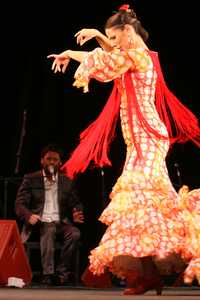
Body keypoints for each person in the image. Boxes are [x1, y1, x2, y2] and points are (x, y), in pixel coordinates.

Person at [47, 4, 200, 294]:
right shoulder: (132, 55)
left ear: (128, 32)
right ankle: (149, 274)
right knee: (139, 208)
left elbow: (105, 64)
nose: (113, 44)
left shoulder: (140, 57)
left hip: (148, 139)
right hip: (139, 141)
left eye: (115, 38)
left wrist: (94, 38)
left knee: (142, 202)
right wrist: (71, 52)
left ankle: (166, 261)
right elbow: (109, 56)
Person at [15, 144, 84, 285]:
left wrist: (77, 211)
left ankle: (61, 274)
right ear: (42, 161)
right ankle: (48, 274)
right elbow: (19, 204)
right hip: (39, 222)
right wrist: (29, 215)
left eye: (55, 159)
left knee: (75, 233)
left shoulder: (66, 181)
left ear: (60, 163)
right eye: (48, 159)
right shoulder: (31, 178)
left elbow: (75, 202)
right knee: (49, 228)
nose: (51, 162)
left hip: (61, 222)